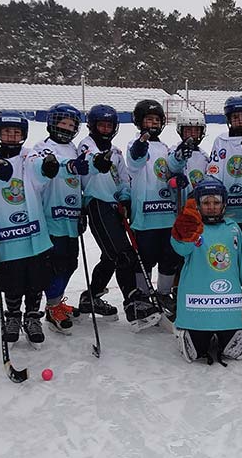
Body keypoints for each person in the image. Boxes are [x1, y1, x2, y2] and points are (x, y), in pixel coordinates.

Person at [77, 104, 162, 331]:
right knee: (124, 255)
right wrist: (97, 164)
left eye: (109, 125)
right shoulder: (87, 145)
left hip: (114, 206)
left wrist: (125, 197)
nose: (105, 129)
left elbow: (123, 178)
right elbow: (88, 163)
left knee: (110, 256)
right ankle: (133, 302)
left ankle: (91, 297)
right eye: (101, 125)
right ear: (92, 126)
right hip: (97, 204)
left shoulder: (115, 151)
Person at [0, 110, 63, 349]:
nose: (11, 136)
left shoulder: (30, 156)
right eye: (7, 131)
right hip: (7, 235)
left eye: (16, 131)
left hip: (34, 233)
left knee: (36, 279)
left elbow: (40, 169)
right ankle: (12, 317)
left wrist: (48, 167)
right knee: (12, 280)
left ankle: (32, 317)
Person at [170, 177, 242, 364]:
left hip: (228, 308)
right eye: (206, 202)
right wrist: (180, 235)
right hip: (196, 309)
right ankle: (191, 331)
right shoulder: (191, 228)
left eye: (216, 202)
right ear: (197, 204)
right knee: (195, 351)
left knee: (233, 350)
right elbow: (180, 249)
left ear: (224, 203)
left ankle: (229, 330)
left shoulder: (233, 229)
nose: (211, 207)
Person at [33, 103, 93, 334]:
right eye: (63, 123)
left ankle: (56, 302)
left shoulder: (76, 149)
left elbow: (79, 181)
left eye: (71, 125)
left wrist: (82, 209)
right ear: (52, 123)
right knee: (55, 263)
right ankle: (51, 307)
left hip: (71, 216)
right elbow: (43, 172)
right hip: (51, 216)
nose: (66, 128)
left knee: (71, 262)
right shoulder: (42, 148)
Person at [126, 99, 185, 322]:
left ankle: (163, 293)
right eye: (148, 119)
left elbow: (173, 168)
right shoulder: (135, 145)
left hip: (167, 215)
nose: (152, 123)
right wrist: (142, 144)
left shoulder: (166, 148)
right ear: (139, 122)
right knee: (145, 258)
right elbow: (134, 163)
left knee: (169, 258)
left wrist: (177, 176)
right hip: (145, 217)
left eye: (156, 120)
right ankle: (142, 295)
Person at [207, 96, 242, 278]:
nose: (240, 120)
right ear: (229, 120)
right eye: (235, 117)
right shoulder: (220, 141)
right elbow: (213, 170)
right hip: (227, 210)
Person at [168, 107, 210, 203]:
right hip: (178, 206)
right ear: (180, 130)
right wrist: (179, 156)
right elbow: (172, 167)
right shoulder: (174, 151)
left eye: (196, 130)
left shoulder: (204, 157)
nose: (192, 135)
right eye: (188, 130)